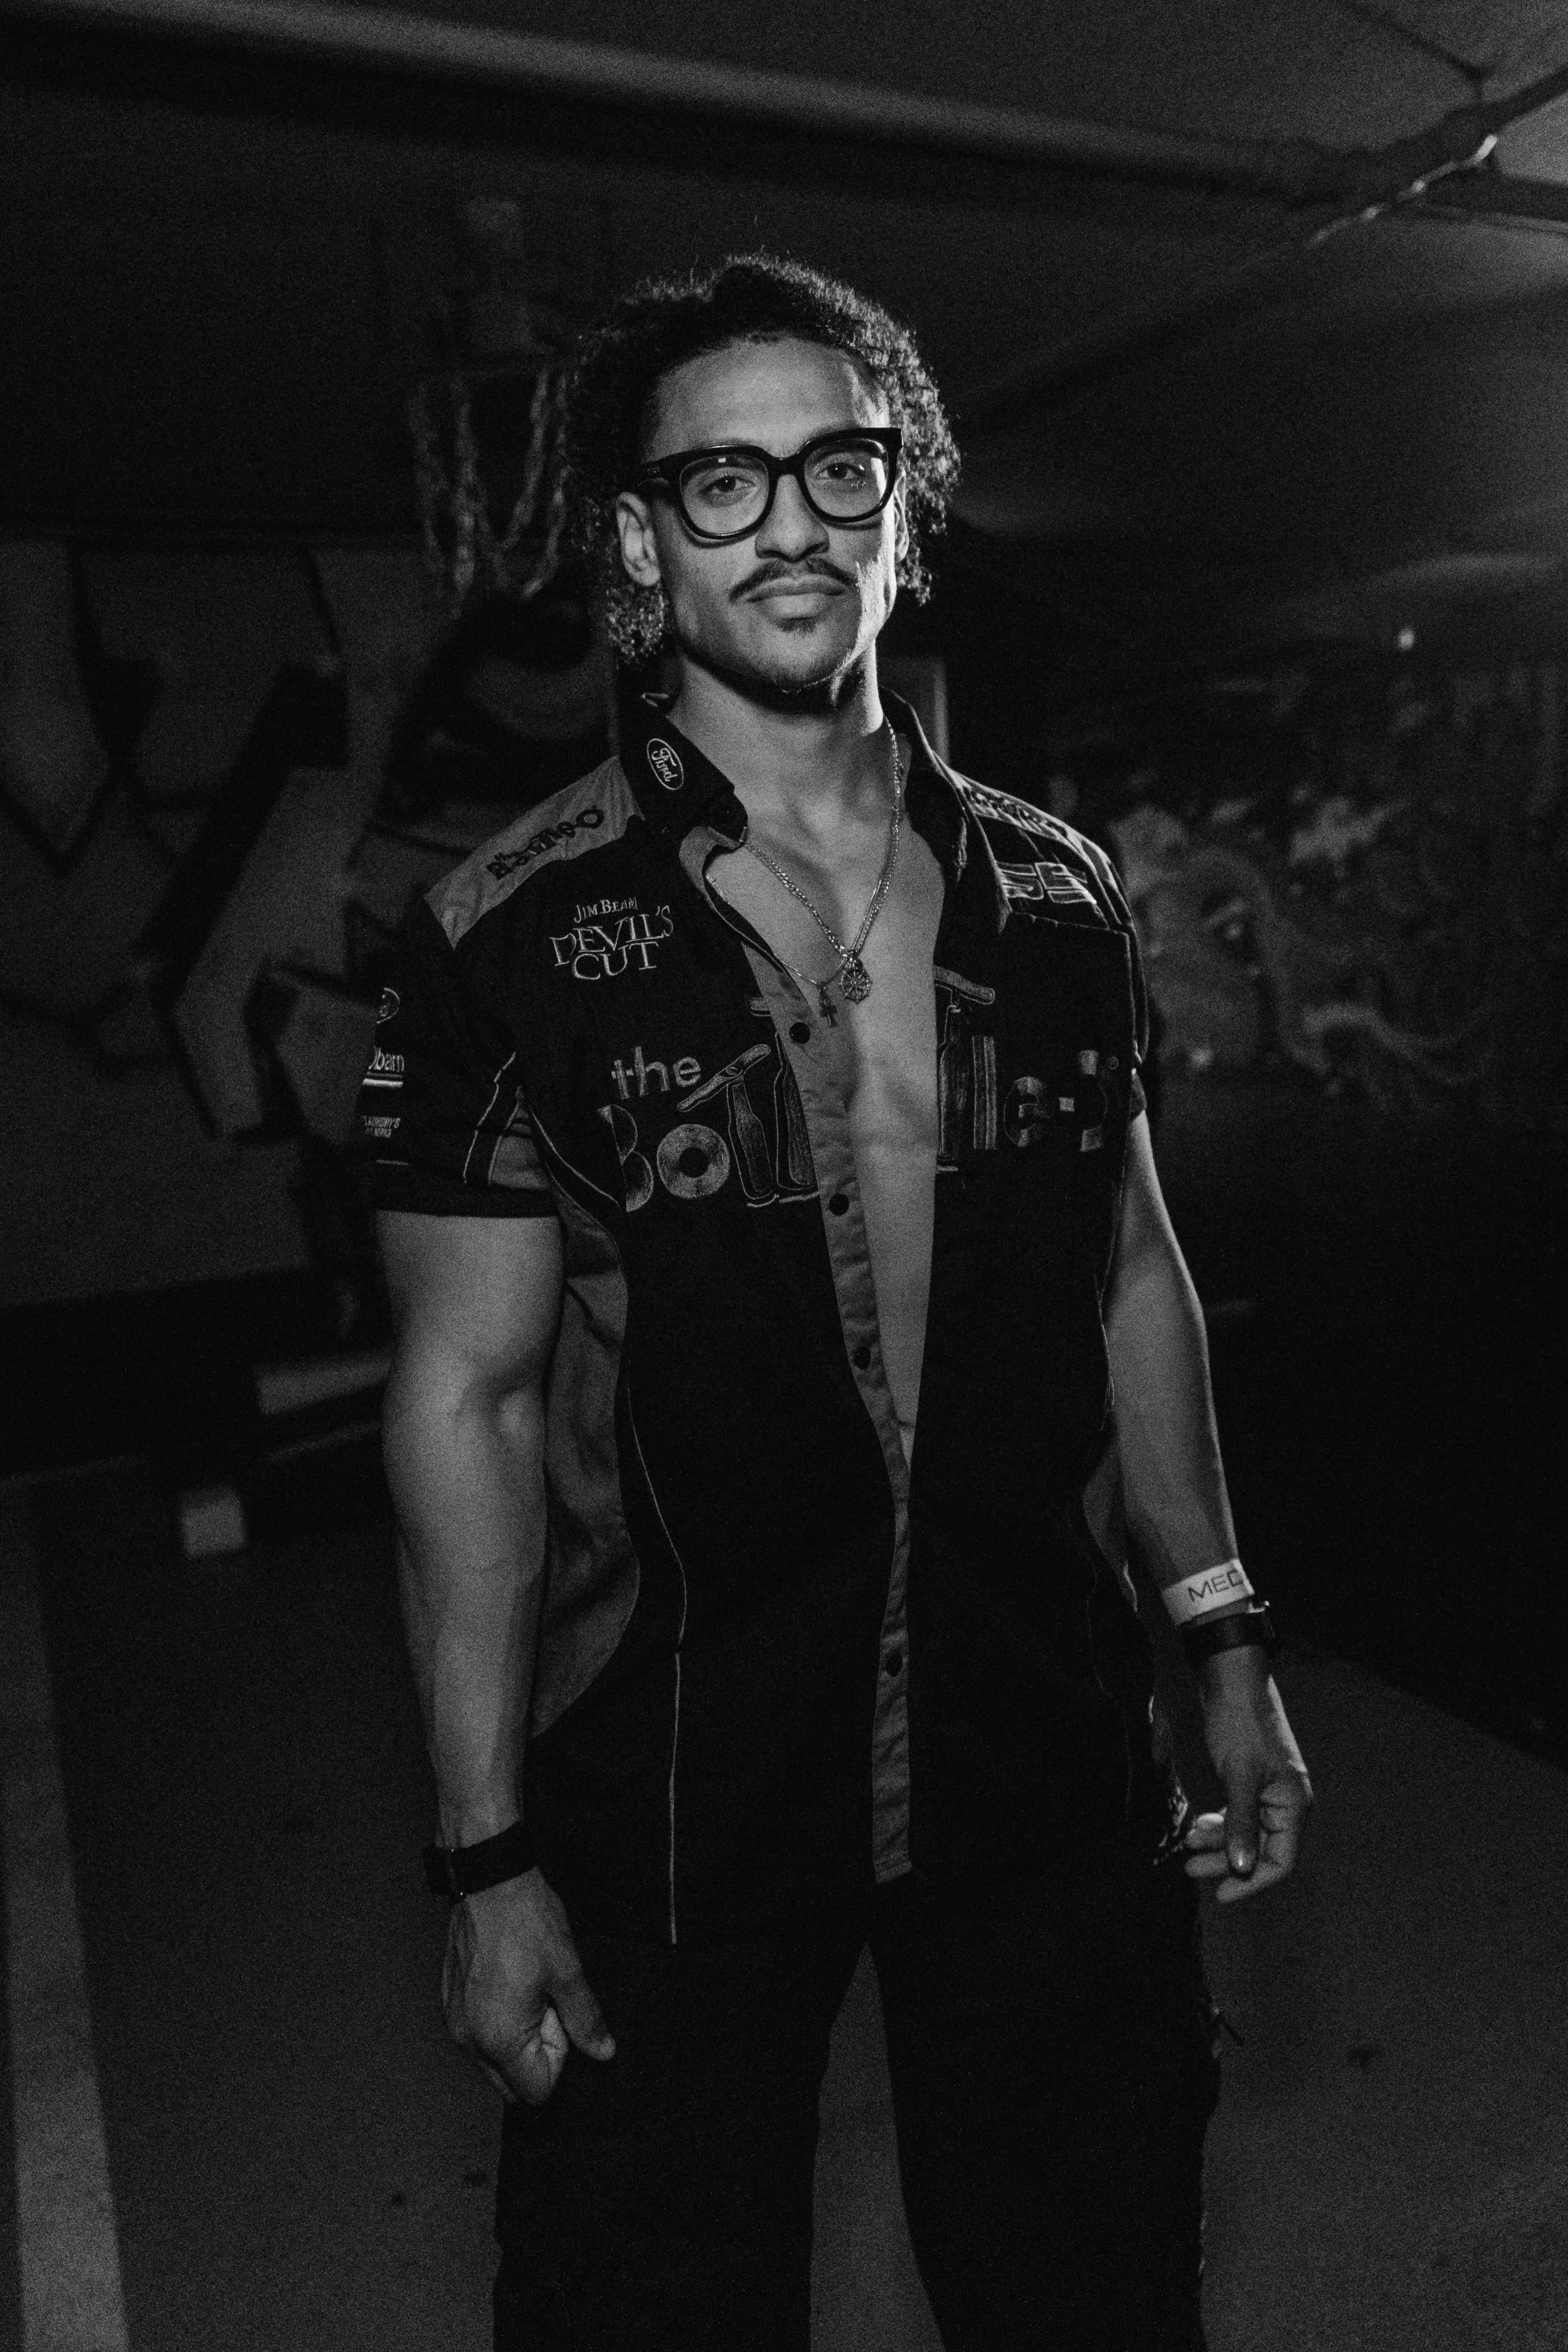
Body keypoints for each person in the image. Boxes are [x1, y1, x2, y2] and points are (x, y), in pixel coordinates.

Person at [359, 253, 1313, 2352]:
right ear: (638, 540)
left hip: (1036, 1742)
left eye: (837, 465)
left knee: (1092, 2289)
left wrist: (1216, 1626)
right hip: (679, 1769)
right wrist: (481, 1852)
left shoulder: (1058, 900)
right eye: (724, 483)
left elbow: (1129, 1269)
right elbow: (469, 1397)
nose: (789, 521)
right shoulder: (512, 934)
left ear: (905, 504)